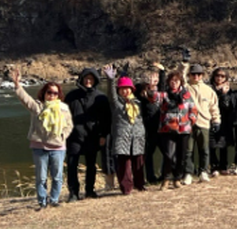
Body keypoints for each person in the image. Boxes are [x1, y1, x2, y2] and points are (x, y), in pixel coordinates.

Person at [10, 68, 73, 210]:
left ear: (59, 95)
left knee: (57, 176)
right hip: (39, 147)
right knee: (41, 177)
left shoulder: (63, 108)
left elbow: (68, 125)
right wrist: (17, 85)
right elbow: (25, 99)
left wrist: (62, 136)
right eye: (49, 92)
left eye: (55, 93)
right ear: (44, 93)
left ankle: (54, 199)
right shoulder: (37, 107)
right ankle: (42, 202)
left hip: (58, 147)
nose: (52, 95)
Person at [64, 67, 111, 202]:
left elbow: (106, 119)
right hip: (73, 136)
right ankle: (73, 192)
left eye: (91, 79)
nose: (88, 81)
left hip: (93, 136)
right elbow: (64, 116)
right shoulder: (71, 96)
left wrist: (103, 135)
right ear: (81, 79)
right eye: (86, 78)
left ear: (95, 80)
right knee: (72, 165)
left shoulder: (100, 97)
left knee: (91, 164)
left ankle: (90, 190)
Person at [102, 65, 146, 195]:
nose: (124, 91)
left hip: (137, 136)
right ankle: (126, 188)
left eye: (127, 88)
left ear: (131, 90)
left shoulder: (138, 102)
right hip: (122, 137)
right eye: (121, 89)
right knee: (124, 164)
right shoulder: (116, 103)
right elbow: (111, 94)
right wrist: (111, 80)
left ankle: (140, 184)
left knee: (138, 162)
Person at [156, 69, 198, 190]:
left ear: (180, 82)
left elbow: (193, 109)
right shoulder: (164, 94)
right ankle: (165, 179)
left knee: (181, 155)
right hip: (167, 130)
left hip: (184, 129)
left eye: (176, 80)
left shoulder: (186, 94)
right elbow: (153, 97)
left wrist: (191, 121)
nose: (174, 83)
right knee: (169, 155)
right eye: (171, 81)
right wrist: (153, 86)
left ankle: (177, 178)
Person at [182, 63, 220, 184]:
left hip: (204, 122)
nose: (196, 76)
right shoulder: (186, 87)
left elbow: (214, 106)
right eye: (193, 74)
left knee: (204, 149)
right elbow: (180, 76)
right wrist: (184, 64)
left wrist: (216, 120)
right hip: (188, 123)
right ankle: (188, 173)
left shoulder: (209, 90)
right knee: (188, 150)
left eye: (198, 74)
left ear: (202, 75)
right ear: (189, 75)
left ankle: (203, 171)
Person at [138, 66, 164, 184]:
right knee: (148, 154)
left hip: (163, 127)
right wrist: (144, 86)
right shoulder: (142, 93)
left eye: (155, 78)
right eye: (151, 78)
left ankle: (164, 175)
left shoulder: (161, 91)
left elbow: (163, 82)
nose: (153, 80)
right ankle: (150, 177)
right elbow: (133, 88)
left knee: (168, 153)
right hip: (149, 129)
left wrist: (162, 71)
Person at [209, 68, 236, 176]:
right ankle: (214, 167)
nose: (219, 78)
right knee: (211, 145)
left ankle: (223, 166)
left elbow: (229, 107)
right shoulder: (209, 89)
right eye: (217, 75)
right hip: (211, 119)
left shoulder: (229, 91)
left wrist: (224, 95)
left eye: (222, 76)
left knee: (223, 145)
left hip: (225, 120)